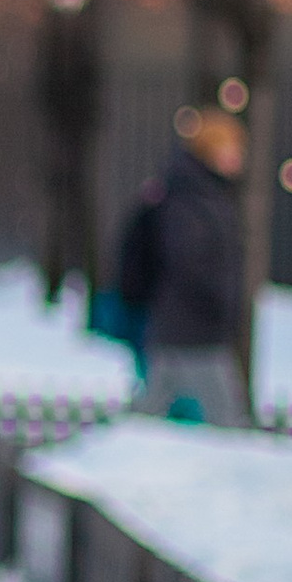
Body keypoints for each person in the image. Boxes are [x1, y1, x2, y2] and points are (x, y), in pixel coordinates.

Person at [114, 105, 251, 425]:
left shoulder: (201, 193)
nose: (238, 156)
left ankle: (118, 443)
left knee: (153, 408)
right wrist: (218, 298)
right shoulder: (193, 198)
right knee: (227, 418)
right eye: (231, 148)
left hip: (183, 325)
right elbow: (187, 258)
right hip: (193, 327)